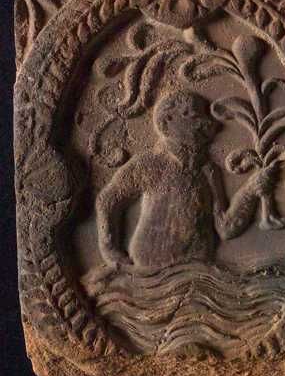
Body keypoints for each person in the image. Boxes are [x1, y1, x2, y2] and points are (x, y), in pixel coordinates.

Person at [96, 91, 241, 269]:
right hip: (152, 269)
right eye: (192, 115)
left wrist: (251, 189)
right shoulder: (150, 164)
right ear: (167, 121)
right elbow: (108, 199)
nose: (204, 123)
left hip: (200, 269)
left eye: (203, 116)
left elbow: (225, 227)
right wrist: (110, 250)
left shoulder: (209, 170)